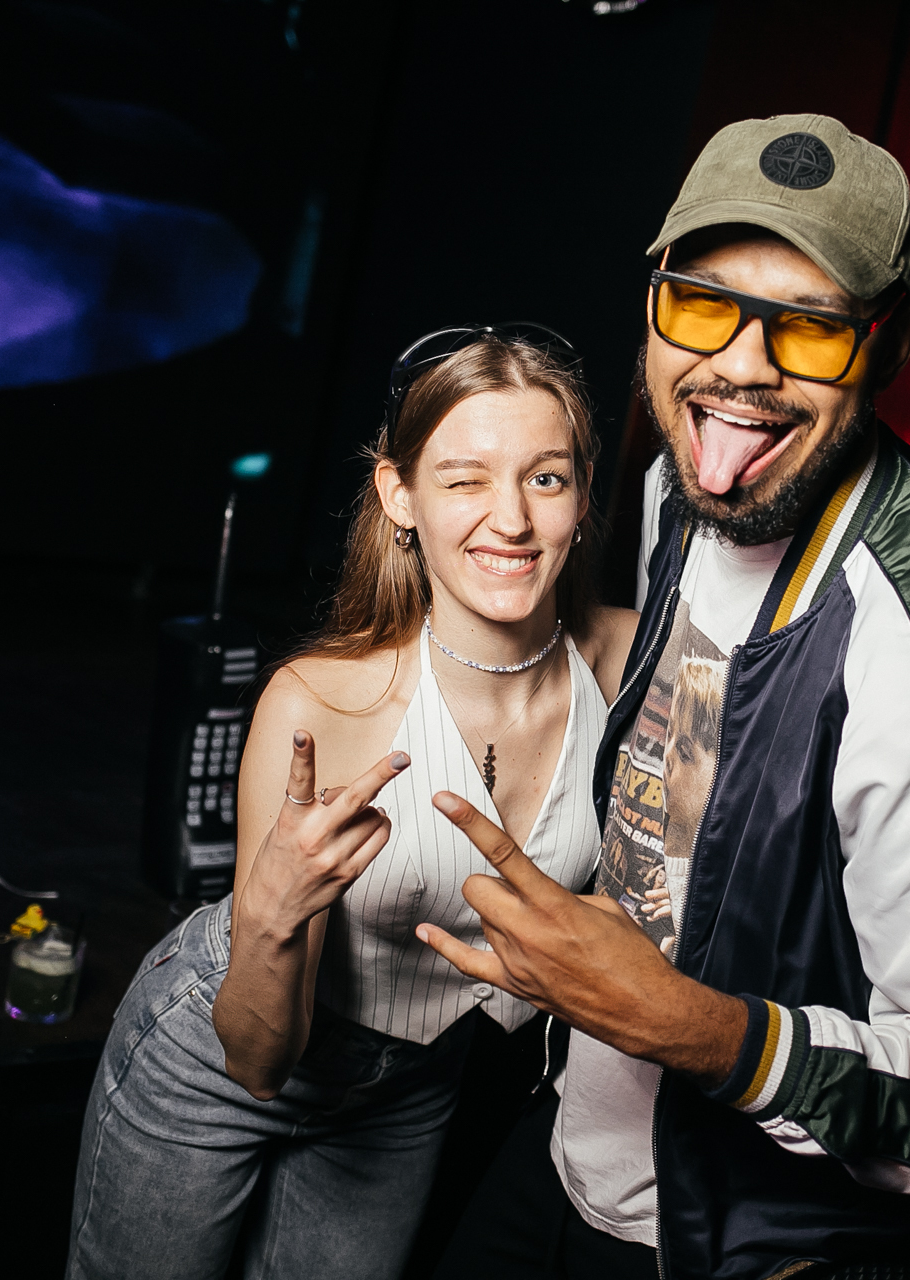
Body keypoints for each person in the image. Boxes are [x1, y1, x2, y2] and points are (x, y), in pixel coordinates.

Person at [418, 114, 910, 1279]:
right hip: (569, 1150)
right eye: (705, 303)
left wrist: (693, 1026)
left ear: (892, 341)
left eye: (810, 324)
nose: (744, 367)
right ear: (655, 298)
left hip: (728, 1240)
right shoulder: (685, 485)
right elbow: (693, 809)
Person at [65, 327, 638, 1280]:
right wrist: (274, 910)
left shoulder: (627, 660)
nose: (510, 519)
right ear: (400, 497)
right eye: (464, 480)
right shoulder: (319, 703)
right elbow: (257, 1061)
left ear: (581, 497)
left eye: (545, 478)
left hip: (410, 1088)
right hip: (217, 1058)